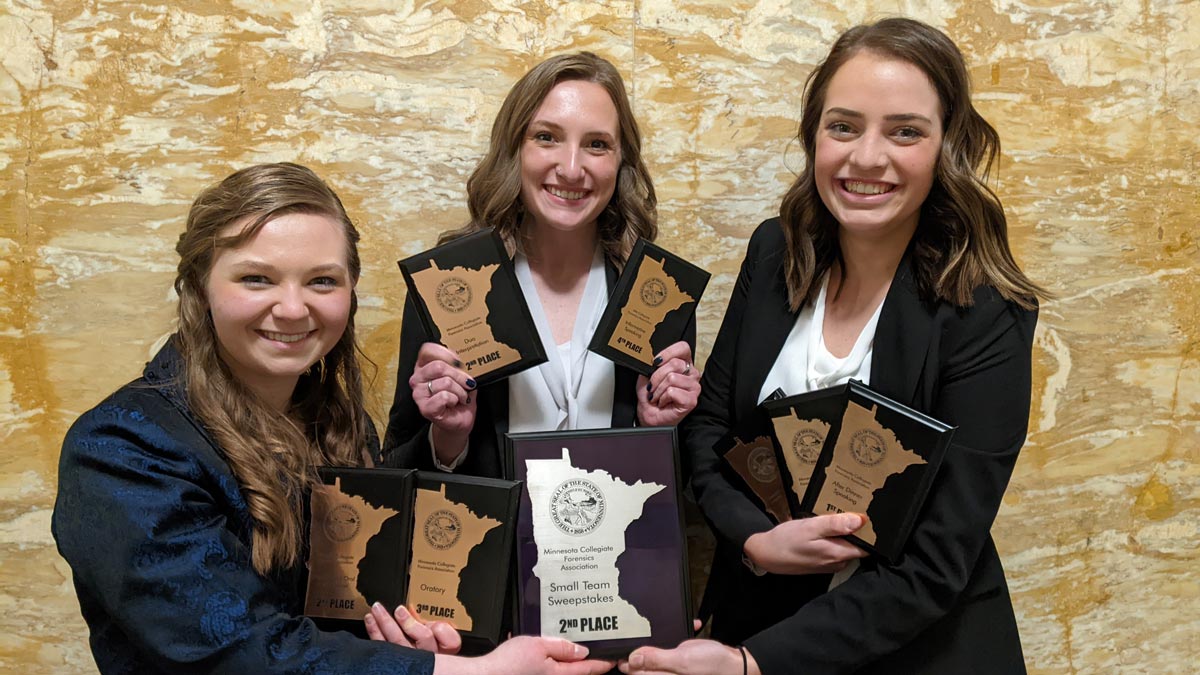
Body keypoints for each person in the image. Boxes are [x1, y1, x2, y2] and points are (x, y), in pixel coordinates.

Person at [52, 162, 611, 675]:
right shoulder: (122, 447)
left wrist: (408, 638)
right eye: (256, 279)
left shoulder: (333, 423)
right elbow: (236, 650)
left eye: (321, 280)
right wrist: (469, 674)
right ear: (200, 288)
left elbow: (353, 602)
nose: (294, 308)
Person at [623, 18, 1047, 675]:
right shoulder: (774, 252)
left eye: (904, 130)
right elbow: (708, 428)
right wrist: (757, 539)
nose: (866, 157)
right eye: (843, 126)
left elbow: (934, 567)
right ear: (814, 135)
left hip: (919, 652)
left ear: (946, 146)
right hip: (753, 616)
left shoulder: (987, 311)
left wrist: (749, 663)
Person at [383, 52, 701, 477]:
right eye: (547, 137)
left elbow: (673, 484)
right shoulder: (451, 288)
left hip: (609, 542)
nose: (571, 168)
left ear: (621, 160)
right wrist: (448, 438)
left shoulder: (657, 296)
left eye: (596, 144)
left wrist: (655, 430)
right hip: (493, 542)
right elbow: (399, 462)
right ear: (514, 148)